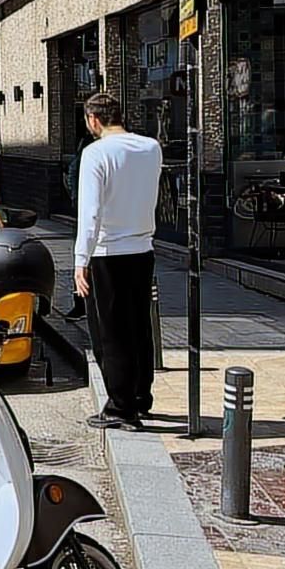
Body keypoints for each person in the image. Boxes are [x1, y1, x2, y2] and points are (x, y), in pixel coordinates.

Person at [75, 92, 163, 431]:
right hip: (143, 248)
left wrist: (81, 260)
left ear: (93, 120)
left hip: (107, 252)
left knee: (110, 333)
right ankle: (142, 395)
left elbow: (90, 211)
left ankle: (120, 407)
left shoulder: (95, 153)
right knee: (139, 326)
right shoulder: (151, 148)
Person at [65, 125, 96, 321]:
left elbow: (71, 177)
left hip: (87, 213)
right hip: (89, 214)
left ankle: (82, 305)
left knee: (84, 258)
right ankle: (82, 304)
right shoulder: (89, 152)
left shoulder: (86, 152)